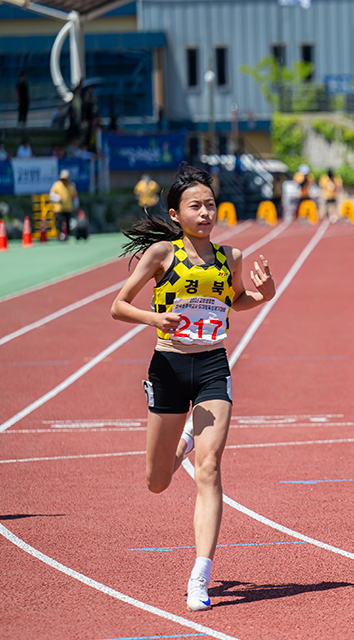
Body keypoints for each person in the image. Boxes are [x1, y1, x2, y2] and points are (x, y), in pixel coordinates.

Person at [110, 163, 276, 611]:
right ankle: (181, 443)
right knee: (157, 482)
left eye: (210, 205)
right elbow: (118, 306)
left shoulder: (231, 258)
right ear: (176, 213)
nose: (206, 213)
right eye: (195, 206)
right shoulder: (163, 255)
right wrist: (153, 319)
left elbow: (235, 301)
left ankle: (200, 572)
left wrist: (265, 294)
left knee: (210, 469)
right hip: (167, 366)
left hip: (211, 368)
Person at [50, 169, 77, 240]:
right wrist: (57, 198)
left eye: (65, 179)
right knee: (59, 222)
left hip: (68, 208)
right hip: (59, 209)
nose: (64, 181)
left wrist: (76, 205)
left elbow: (74, 197)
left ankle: (67, 235)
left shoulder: (71, 187)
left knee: (68, 222)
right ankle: (60, 236)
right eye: (63, 179)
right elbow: (51, 195)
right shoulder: (56, 185)